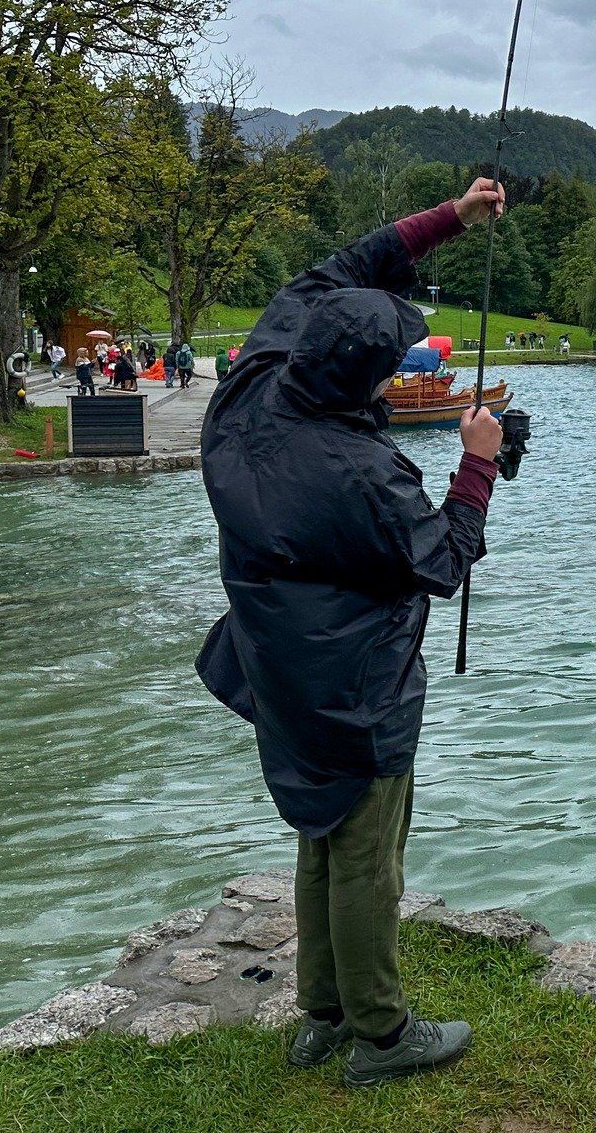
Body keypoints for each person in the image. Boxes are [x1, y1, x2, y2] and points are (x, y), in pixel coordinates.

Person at [197, 176, 506, 1089]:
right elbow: (443, 563)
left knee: (320, 830)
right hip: (356, 681)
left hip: (277, 667)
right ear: (373, 379)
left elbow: (342, 268)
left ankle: (321, 1012)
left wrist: (451, 217)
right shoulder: (366, 479)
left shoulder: (253, 387)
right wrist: (477, 468)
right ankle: (382, 1031)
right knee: (368, 850)